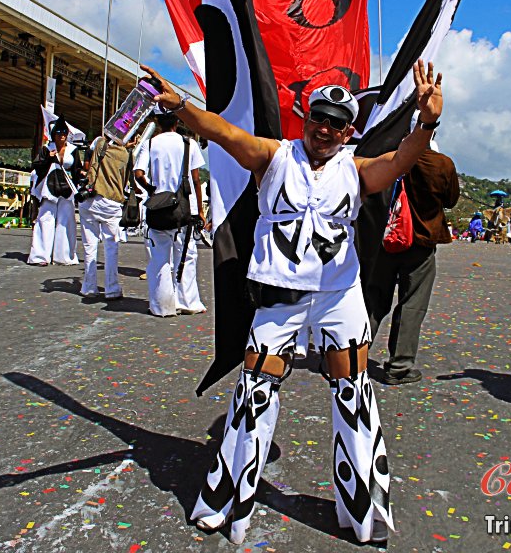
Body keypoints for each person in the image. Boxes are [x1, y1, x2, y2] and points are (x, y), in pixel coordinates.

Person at [139, 59, 442, 544]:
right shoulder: (273, 156)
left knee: (355, 396)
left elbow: (402, 159)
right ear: (305, 119)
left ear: (348, 132)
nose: (324, 129)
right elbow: (221, 132)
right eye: (318, 118)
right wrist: (182, 105)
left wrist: (426, 121)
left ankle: (362, 512)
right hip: (278, 297)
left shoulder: (358, 169)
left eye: (336, 124)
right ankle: (227, 501)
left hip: (339, 298)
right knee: (253, 395)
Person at [364, 150, 459, 385]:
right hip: (421, 242)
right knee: (412, 304)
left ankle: (351, 356)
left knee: (374, 300)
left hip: (387, 238)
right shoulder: (442, 164)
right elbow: (451, 199)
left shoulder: (391, 157)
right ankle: (399, 366)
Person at [133, 112, 206, 316]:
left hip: (158, 207)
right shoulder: (188, 144)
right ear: (177, 122)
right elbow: (196, 179)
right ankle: (187, 301)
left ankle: (162, 305)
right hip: (183, 208)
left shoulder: (150, 144)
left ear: (157, 122)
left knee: (159, 258)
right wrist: (199, 209)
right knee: (186, 255)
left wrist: (151, 190)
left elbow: (138, 174)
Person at [78, 135, 133, 300]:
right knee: (111, 247)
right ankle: (112, 288)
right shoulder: (127, 153)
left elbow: (93, 149)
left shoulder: (101, 144)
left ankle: (88, 287)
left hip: (90, 200)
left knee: (90, 247)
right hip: (111, 202)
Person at [27, 119, 81, 266]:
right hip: (49, 187)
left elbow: (76, 169)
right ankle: (40, 256)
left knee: (66, 221)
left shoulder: (73, 150)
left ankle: (64, 256)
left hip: (67, 188)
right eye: (58, 132)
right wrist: (48, 159)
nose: (62, 135)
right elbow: (36, 165)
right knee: (45, 220)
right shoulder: (46, 148)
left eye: (64, 132)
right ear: (53, 134)